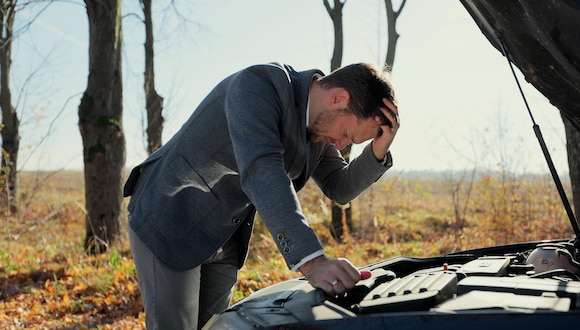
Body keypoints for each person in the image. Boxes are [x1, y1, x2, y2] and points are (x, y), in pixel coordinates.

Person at [123, 62, 400, 330]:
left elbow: (339, 187)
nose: (341, 145)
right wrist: (313, 262)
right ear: (338, 98)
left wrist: (378, 151)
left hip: (223, 237)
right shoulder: (257, 87)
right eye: (347, 134)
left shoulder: (318, 130)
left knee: (216, 328)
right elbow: (262, 171)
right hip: (171, 217)